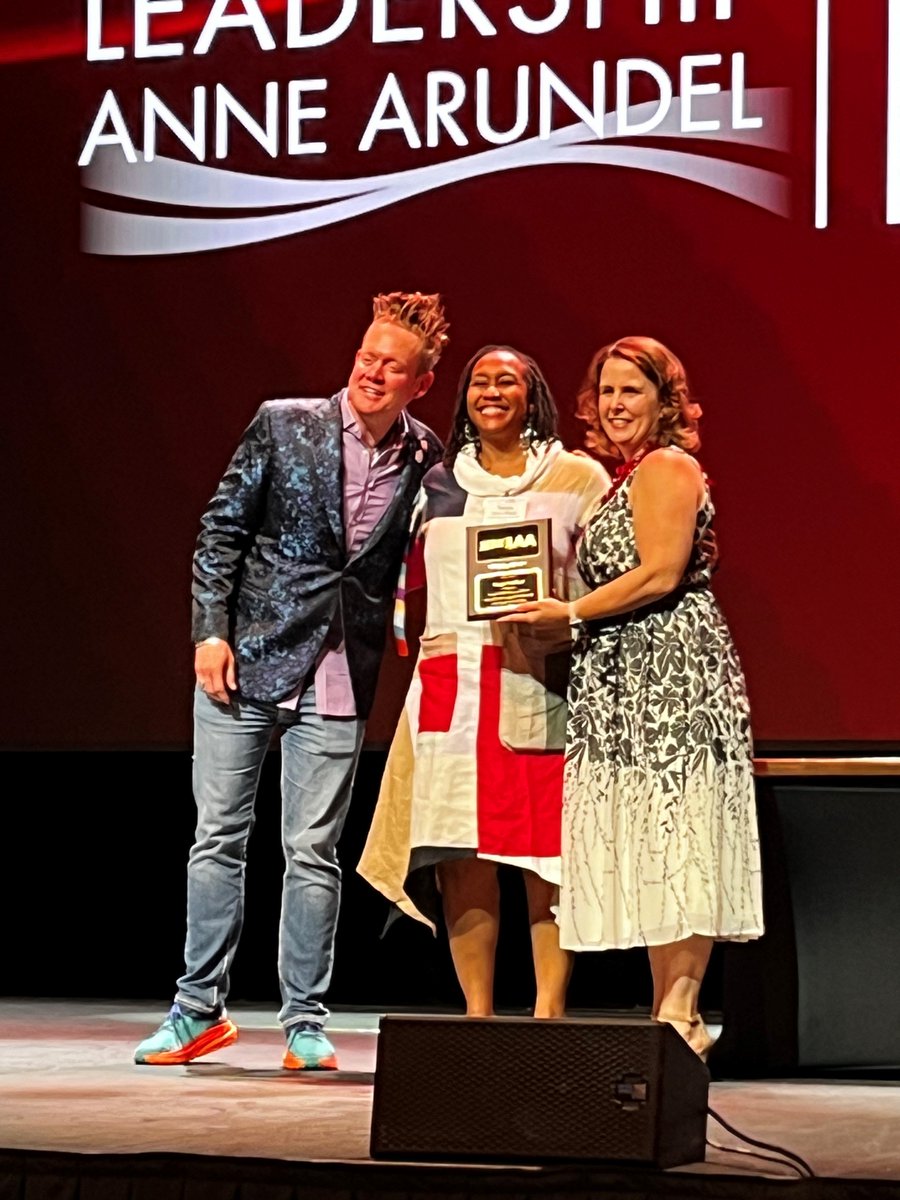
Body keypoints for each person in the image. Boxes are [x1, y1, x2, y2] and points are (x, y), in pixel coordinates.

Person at [134, 292, 448, 1070]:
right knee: (218, 840)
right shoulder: (284, 422)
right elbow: (220, 533)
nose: (374, 373)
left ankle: (304, 1021)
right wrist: (210, 630)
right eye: (367, 356)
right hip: (249, 659)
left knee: (313, 852)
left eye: (393, 366)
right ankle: (195, 1010)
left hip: (341, 672)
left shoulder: (424, 454)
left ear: (421, 381)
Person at [501, 336, 763, 1058]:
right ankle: (670, 1014)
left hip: (670, 676)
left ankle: (679, 1016)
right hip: (623, 677)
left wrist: (572, 616)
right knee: (653, 837)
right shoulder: (626, 477)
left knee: (679, 831)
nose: (617, 405)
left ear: (665, 402)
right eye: (607, 391)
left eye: (633, 391)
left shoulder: (669, 467)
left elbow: (660, 573)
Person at [357, 345, 610, 1018]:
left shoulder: (579, 478)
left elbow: (606, 577)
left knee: (543, 861)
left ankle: (548, 1013)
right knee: (460, 855)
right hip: (452, 690)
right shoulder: (437, 483)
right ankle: (477, 1016)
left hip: (537, 682)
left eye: (508, 381)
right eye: (480, 382)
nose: (491, 392)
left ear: (534, 396)